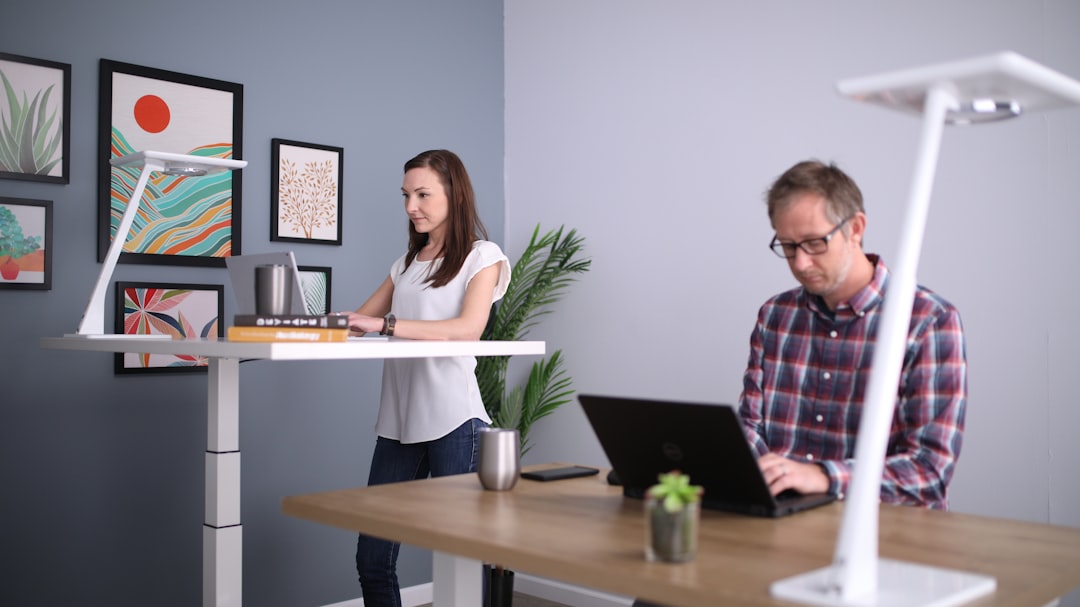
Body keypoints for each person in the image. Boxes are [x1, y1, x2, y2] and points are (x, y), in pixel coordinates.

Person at [739, 159, 967, 510]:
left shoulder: (928, 321)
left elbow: (929, 472)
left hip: (885, 535)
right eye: (787, 246)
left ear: (855, 228)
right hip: (781, 527)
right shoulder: (775, 316)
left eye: (814, 243)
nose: (800, 263)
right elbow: (752, 431)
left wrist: (824, 476)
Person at [342, 149, 510, 607]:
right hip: (398, 424)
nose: (410, 206)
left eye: (422, 194)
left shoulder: (482, 257)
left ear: (454, 196)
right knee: (373, 559)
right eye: (405, 195)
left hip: (456, 421)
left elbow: (466, 330)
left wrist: (387, 325)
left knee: (460, 558)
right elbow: (360, 319)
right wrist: (289, 322)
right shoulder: (407, 263)